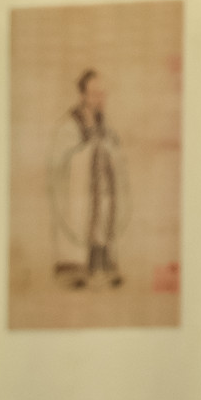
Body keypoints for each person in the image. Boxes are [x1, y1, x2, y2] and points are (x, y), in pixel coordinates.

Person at [49, 68, 128, 290]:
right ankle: (75, 270)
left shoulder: (105, 125)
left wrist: (108, 150)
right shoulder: (68, 126)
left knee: (103, 222)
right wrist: (88, 151)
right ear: (83, 95)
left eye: (102, 94)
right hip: (79, 192)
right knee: (82, 217)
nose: (100, 99)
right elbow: (60, 161)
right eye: (95, 94)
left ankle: (101, 266)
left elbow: (115, 152)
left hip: (102, 192)